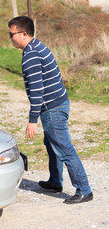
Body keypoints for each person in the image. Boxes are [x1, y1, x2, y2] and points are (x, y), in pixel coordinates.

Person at [8, 16, 93, 204]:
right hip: (57, 103)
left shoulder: (31, 55)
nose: (10, 37)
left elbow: (37, 89)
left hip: (52, 109)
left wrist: (32, 120)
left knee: (64, 149)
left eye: (11, 34)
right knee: (52, 144)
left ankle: (84, 190)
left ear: (23, 34)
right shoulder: (36, 46)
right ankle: (55, 182)